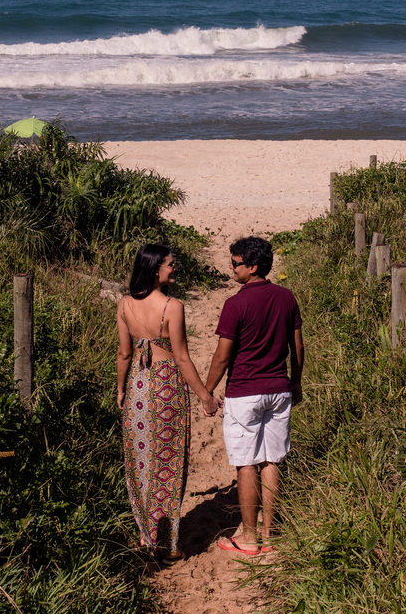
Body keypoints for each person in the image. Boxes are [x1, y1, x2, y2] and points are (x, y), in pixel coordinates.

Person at [117, 244, 220, 566]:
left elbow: (124, 354)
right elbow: (182, 358)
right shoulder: (173, 307)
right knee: (167, 464)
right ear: (155, 268)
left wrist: (120, 390)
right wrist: (205, 395)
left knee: (140, 463)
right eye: (170, 264)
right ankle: (168, 543)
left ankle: (147, 536)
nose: (174, 269)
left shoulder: (124, 304)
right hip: (165, 389)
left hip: (137, 386)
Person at [205, 236, 304, 557]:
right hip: (279, 389)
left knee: (246, 463)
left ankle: (249, 537)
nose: (231, 268)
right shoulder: (286, 297)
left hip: (244, 392)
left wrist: (207, 390)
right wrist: (296, 383)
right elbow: (297, 347)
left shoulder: (235, 304)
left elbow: (222, 356)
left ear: (253, 267)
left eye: (235, 264)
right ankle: (269, 531)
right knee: (271, 459)